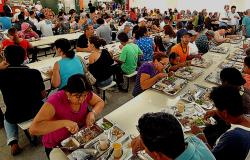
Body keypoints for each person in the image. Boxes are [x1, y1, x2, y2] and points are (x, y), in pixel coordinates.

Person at [29, 74, 105, 158]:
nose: (82, 100)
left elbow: (100, 102)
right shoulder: (55, 100)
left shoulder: (84, 93)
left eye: (85, 95)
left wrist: (92, 113)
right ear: (68, 93)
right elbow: (33, 129)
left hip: (78, 138)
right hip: (57, 145)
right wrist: (64, 123)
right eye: (77, 96)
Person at [0, 45, 46, 155]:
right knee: (45, 102)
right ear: (25, 57)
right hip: (37, 111)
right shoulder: (34, 73)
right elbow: (43, 95)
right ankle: (41, 129)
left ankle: (13, 142)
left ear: (5, 59)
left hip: (15, 115)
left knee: (7, 118)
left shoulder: (2, 75)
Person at [193, 86, 250, 160]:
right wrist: (217, 112)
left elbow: (211, 158)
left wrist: (200, 136)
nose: (216, 110)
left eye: (217, 108)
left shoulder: (233, 137)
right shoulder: (246, 118)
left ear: (225, 113)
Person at [131, 112, 215, 160]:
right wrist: (142, 137)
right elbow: (165, 127)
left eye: (145, 149)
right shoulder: (194, 140)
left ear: (157, 155)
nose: (145, 150)